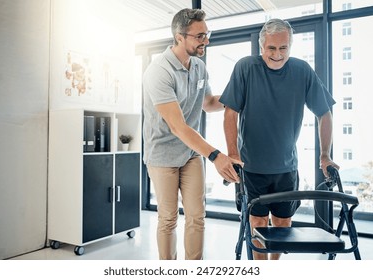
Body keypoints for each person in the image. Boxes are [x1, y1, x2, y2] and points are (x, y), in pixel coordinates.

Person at [219, 18, 339, 260]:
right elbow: (230, 112)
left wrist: (325, 155)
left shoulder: (302, 70)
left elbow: (325, 112)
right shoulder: (245, 67)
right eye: (271, 48)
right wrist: (232, 153)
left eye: (283, 48)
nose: (277, 54)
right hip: (251, 167)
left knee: (283, 223)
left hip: (286, 167)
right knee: (258, 222)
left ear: (290, 47)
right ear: (262, 47)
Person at [142, 8, 242, 260]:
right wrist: (216, 155)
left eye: (206, 35)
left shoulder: (198, 67)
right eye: (199, 36)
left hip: (190, 153)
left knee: (197, 216)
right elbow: (178, 127)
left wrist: (237, 98)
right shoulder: (159, 72)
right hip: (162, 155)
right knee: (168, 218)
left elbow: (207, 103)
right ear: (179, 37)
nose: (206, 41)